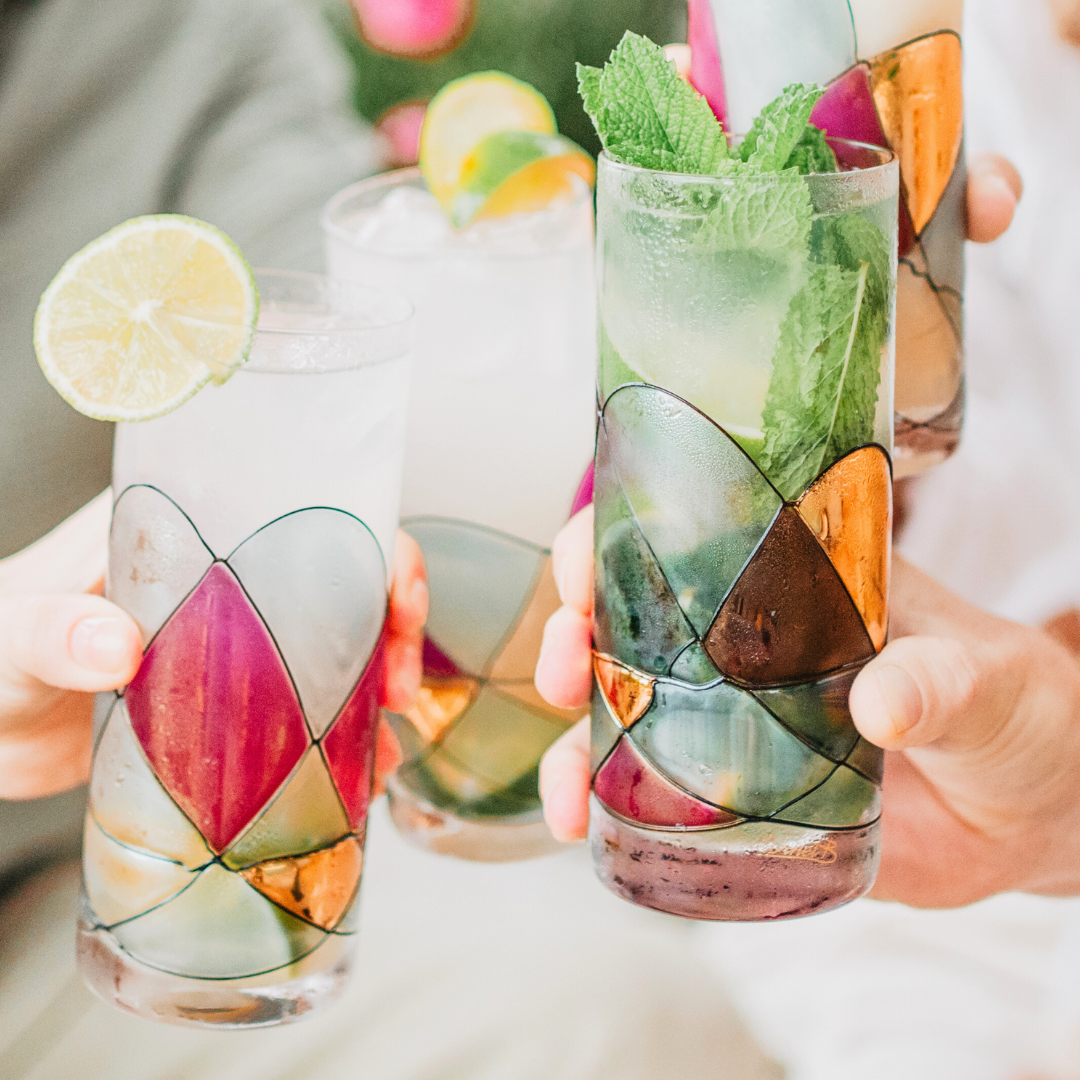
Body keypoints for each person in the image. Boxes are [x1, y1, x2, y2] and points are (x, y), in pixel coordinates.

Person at [0, 2, 781, 1078]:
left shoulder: (181, 27)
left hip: (86, 880)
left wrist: (745, 290)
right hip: (99, 850)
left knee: (620, 1015)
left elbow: (329, 331)